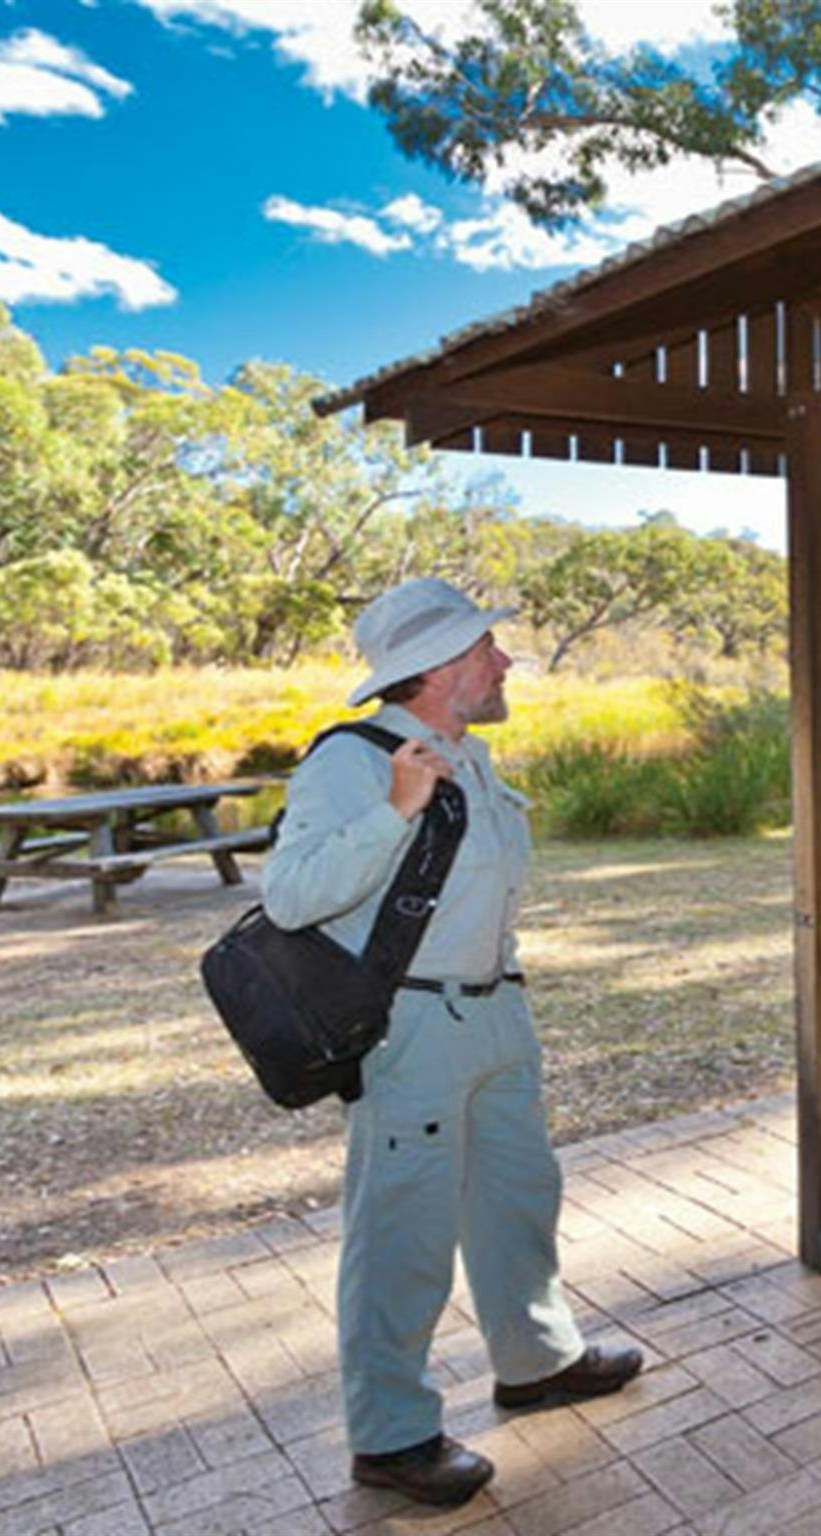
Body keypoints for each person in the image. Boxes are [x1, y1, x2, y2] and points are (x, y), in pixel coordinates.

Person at [262, 578, 641, 1507]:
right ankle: (390, 1436)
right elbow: (291, 894)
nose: (505, 662)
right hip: (413, 1028)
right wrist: (392, 808)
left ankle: (537, 1359)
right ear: (437, 669)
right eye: (487, 650)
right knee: (404, 1230)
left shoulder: (468, 757)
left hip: (497, 1014)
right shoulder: (352, 763)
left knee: (518, 1197)